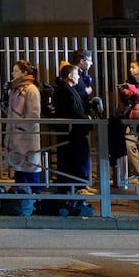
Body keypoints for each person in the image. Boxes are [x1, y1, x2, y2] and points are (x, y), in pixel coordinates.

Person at [50, 62, 92, 215]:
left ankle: (74, 186)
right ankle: (71, 188)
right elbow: (71, 111)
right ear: (69, 76)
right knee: (70, 160)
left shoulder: (68, 89)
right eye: (76, 75)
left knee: (73, 160)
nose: (78, 77)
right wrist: (85, 119)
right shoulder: (64, 90)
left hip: (74, 131)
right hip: (71, 132)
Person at [5, 60, 43, 197]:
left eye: (15, 71)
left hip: (26, 137)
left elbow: (33, 115)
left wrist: (21, 127)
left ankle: (34, 199)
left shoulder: (31, 89)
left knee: (30, 170)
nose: (12, 73)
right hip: (15, 136)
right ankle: (22, 200)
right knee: (20, 170)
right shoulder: (15, 89)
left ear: (24, 73)